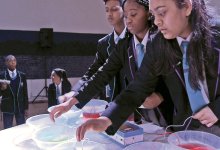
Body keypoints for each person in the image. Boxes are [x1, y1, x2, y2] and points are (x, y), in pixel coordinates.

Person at [75, 0, 220, 141]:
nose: (156, 22)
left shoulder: (217, 34)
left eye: (162, 13)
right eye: (153, 15)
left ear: (187, 7)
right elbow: (138, 87)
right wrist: (106, 119)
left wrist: (216, 109)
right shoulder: (159, 42)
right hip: (186, 132)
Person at [50, 0, 173, 127]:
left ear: (148, 13)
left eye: (133, 14)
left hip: (172, 114)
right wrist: (71, 102)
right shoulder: (125, 44)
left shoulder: (163, 38)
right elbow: (103, 73)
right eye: (125, 16)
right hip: (144, 117)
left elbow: (178, 78)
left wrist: (162, 95)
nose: (128, 21)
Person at [69, 0, 126, 103]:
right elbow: (93, 71)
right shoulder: (103, 43)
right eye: (107, 10)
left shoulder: (135, 38)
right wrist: (75, 91)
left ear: (125, 10)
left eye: (114, 9)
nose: (109, 13)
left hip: (136, 105)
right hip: (111, 102)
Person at [0, 55, 28, 129]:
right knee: (8, 129)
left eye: (14, 61)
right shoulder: (1, 75)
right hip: (7, 107)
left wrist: (26, 108)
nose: (12, 62)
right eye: (9, 61)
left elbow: (25, 92)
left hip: (20, 107)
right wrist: (2, 89)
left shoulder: (22, 75)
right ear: (6, 63)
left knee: (22, 128)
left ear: (16, 62)